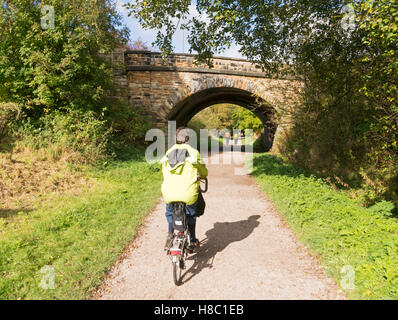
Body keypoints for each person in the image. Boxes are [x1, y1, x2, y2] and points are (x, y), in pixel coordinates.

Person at [160, 127, 208, 251]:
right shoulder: (193, 152)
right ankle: (192, 239)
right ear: (189, 139)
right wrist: (201, 175)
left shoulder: (168, 152)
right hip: (188, 193)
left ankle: (170, 234)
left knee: (170, 212)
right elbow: (203, 171)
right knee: (191, 214)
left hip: (169, 193)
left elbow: (164, 172)